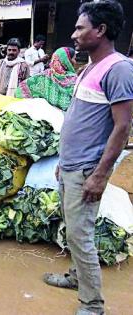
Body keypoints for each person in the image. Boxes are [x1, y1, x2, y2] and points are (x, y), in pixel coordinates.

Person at [43, 2, 133, 315]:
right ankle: (75, 278)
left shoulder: (118, 68)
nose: (74, 34)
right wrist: (62, 160)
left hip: (86, 171)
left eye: (81, 28)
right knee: (73, 230)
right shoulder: (91, 66)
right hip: (71, 166)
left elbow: (123, 127)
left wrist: (99, 175)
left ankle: (92, 305)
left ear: (101, 30)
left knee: (81, 237)